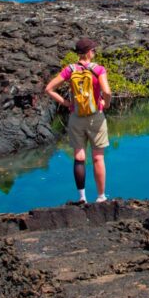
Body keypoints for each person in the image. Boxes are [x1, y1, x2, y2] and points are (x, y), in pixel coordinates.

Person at [45, 38, 112, 204]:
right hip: (96, 116)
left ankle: (82, 197)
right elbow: (107, 91)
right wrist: (106, 103)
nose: (94, 53)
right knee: (98, 158)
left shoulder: (70, 69)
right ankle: (101, 197)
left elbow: (49, 89)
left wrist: (67, 103)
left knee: (79, 157)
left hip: (76, 117)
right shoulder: (98, 69)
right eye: (94, 51)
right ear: (89, 52)